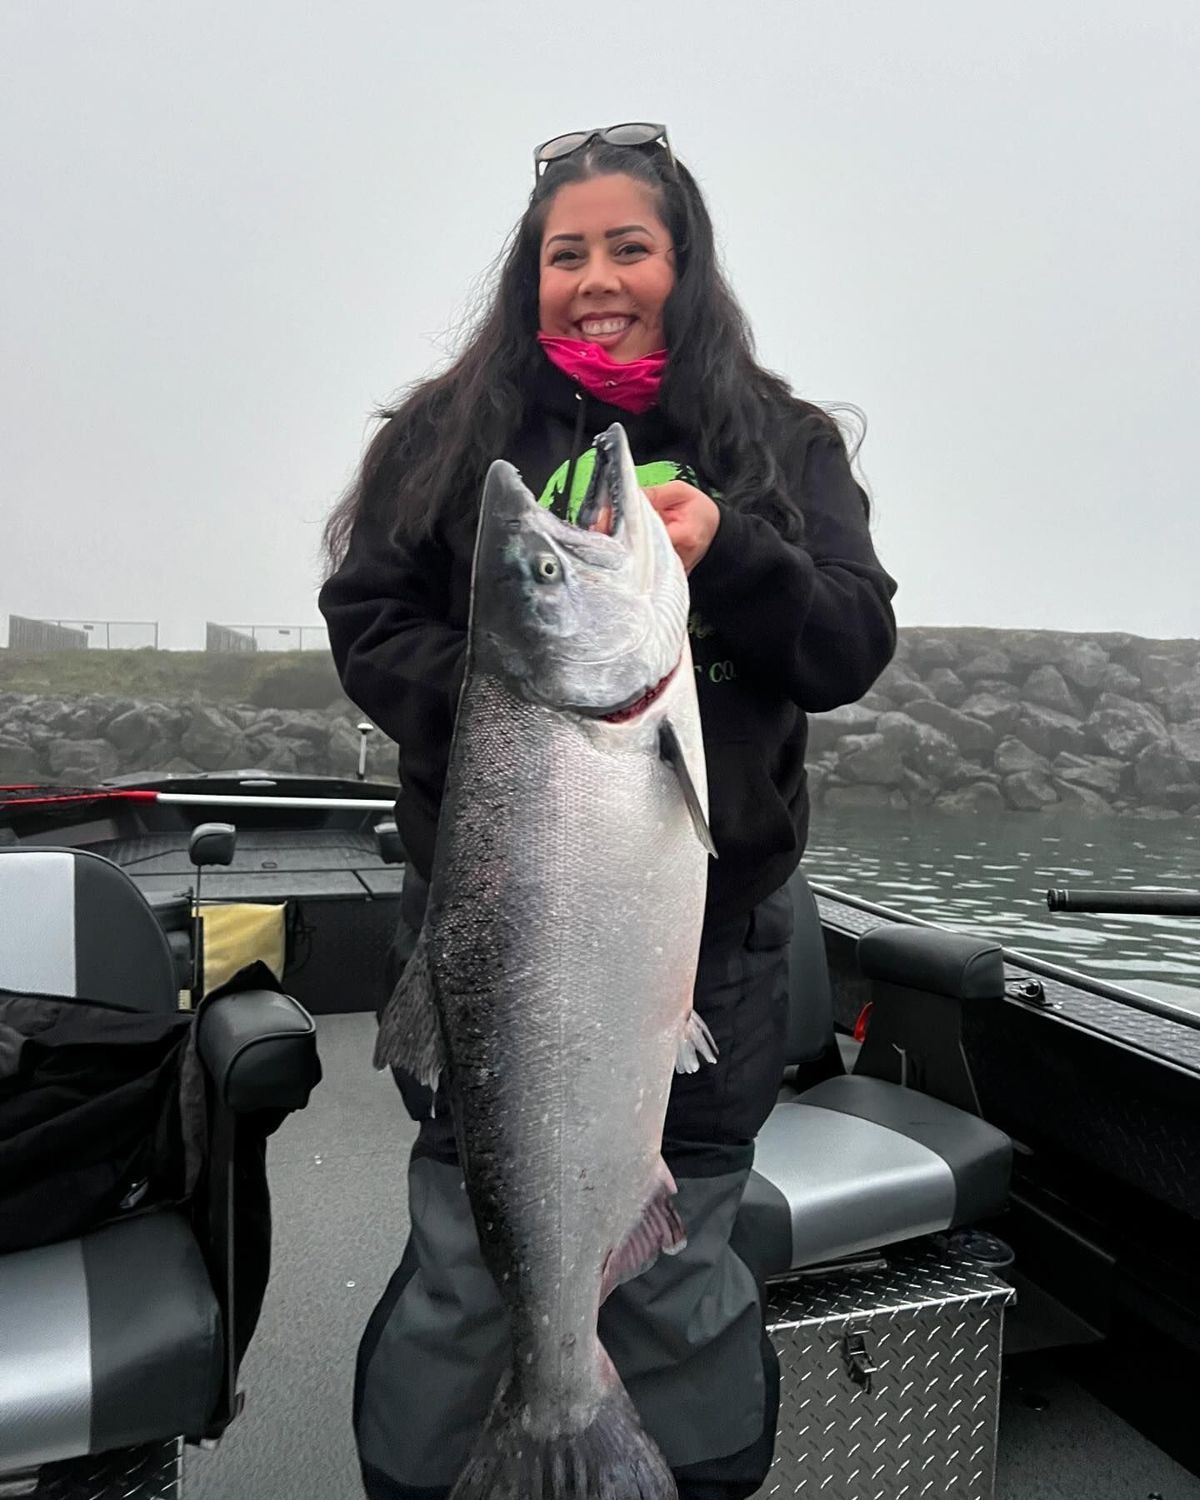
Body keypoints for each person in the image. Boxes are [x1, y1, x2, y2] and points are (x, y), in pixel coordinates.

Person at [319, 122, 897, 1500]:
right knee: (473, 1249)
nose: (595, 279)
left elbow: (849, 645)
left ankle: (667, 1477)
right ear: (530, 274)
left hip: (710, 942)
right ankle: (446, 1470)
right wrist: (509, 685)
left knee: (679, 1250)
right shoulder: (445, 438)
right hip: (489, 931)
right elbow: (366, 620)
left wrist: (732, 549)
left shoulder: (783, 443)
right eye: (563, 254)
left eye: (627, 248)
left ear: (682, 264)